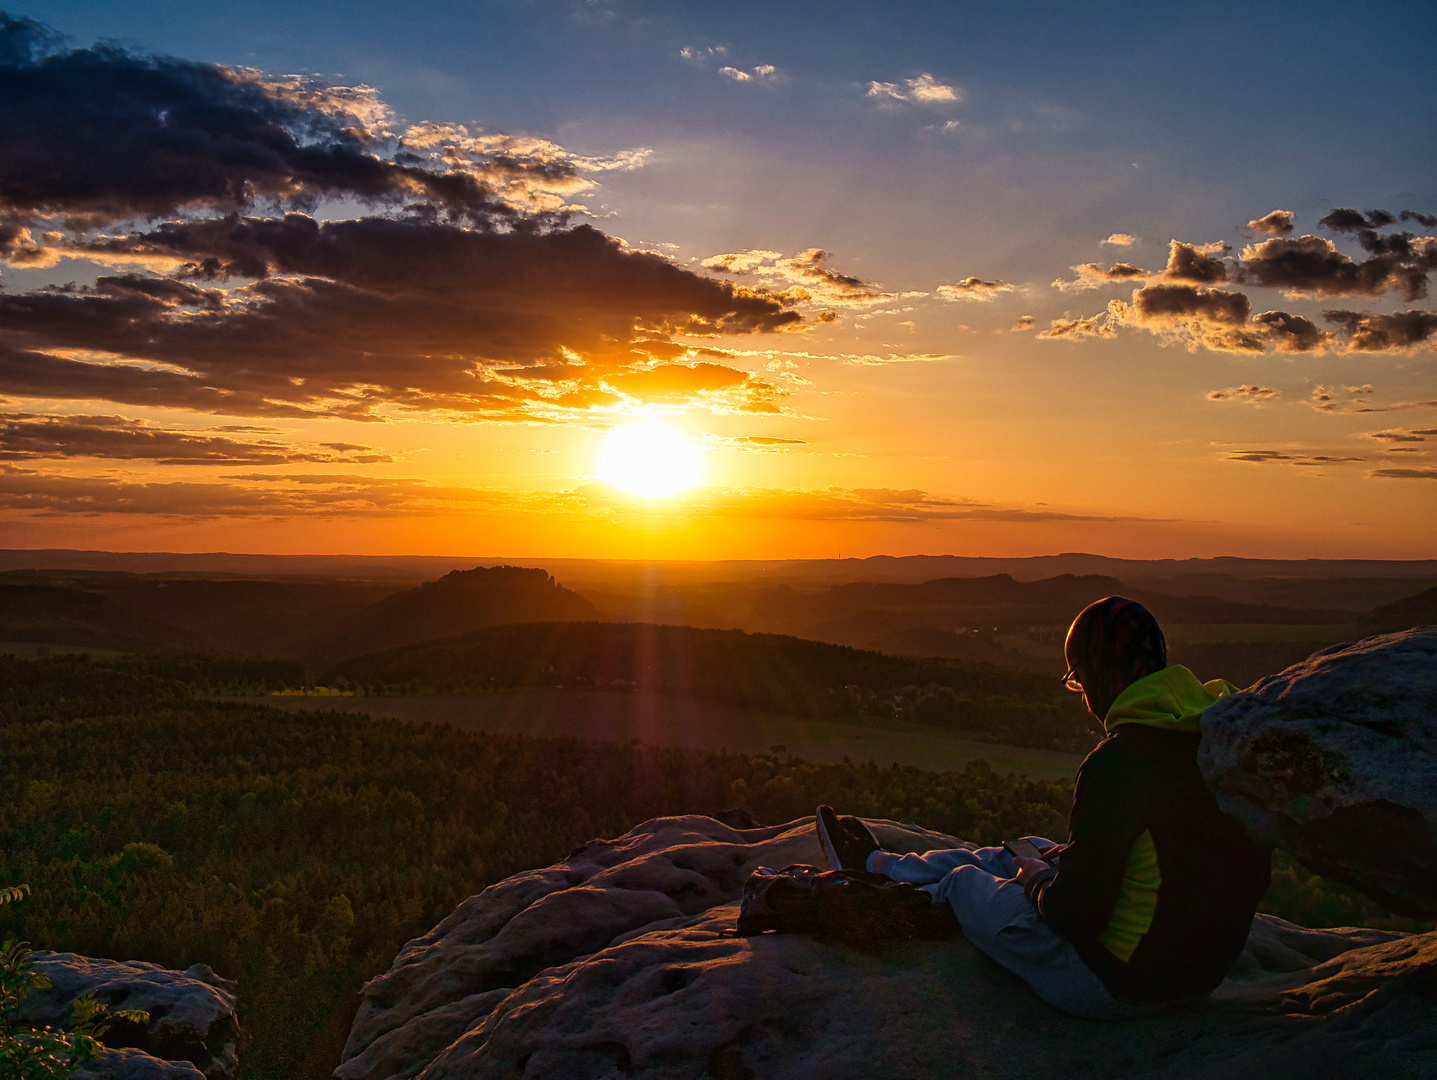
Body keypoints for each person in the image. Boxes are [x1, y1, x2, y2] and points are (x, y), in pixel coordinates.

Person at [815, 595, 1272, 1020]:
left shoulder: (1118, 764)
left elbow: (1073, 913)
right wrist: (1056, 864)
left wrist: (1037, 881)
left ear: (1098, 674)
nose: (1084, 698)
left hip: (1116, 983)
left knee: (965, 881)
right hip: (1200, 976)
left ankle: (882, 898)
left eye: (1079, 681)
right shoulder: (1214, 740)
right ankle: (876, 863)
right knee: (1029, 847)